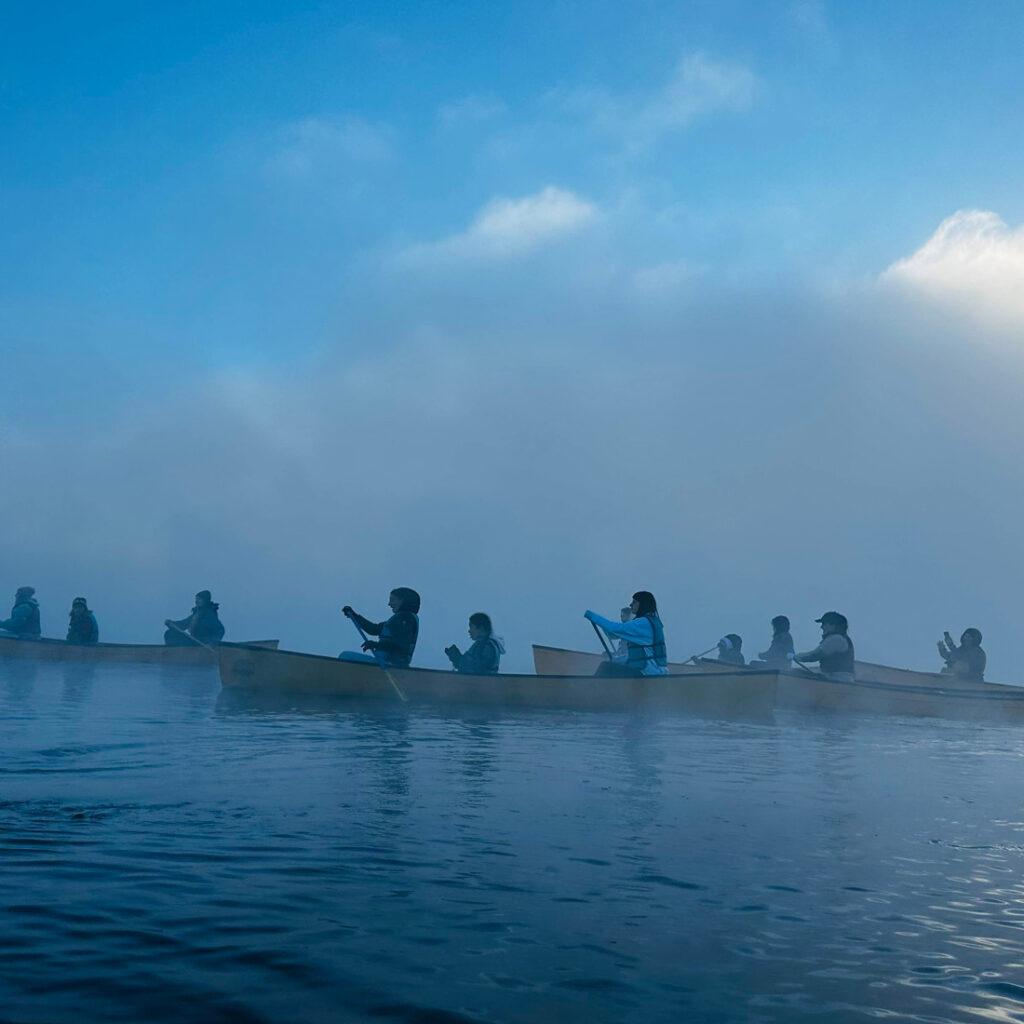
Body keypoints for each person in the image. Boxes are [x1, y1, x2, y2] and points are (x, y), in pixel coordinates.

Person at [584, 591, 668, 677]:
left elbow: (613, 629)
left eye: (634, 602)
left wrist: (591, 616)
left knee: (605, 667)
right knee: (612, 665)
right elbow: (612, 634)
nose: (630, 604)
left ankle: (593, 689)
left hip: (647, 672)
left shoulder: (643, 623)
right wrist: (615, 660)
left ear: (643, 603)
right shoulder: (653, 622)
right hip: (654, 671)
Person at [341, 587, 420, 667]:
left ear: (402, 600)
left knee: (345, 656)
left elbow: (400, 644)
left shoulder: (405, 619)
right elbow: (373, 629)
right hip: (386, 663)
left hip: (390, 665)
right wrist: (353, 615)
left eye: (392, 600)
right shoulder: (400, 619)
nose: (389, 604)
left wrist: (375, 645)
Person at [795, 611, 855, 681]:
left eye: (824, 624)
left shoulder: (836, 639)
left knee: (797, 675)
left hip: (837, 679)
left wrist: (796, 657)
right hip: (836, 678)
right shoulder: (840, 639)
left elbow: (816, 655)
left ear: (833, 625)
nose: (821, 627)